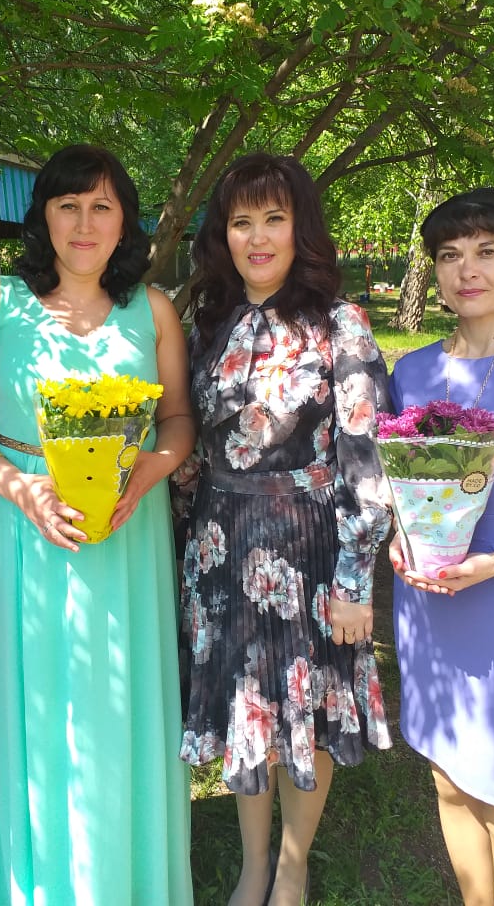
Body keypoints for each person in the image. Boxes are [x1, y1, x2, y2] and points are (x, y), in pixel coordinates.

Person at [0, 143, 195, 905]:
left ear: (125, 221)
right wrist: (17, 487)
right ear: (43, 217)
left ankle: (132, 880)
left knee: (121, 700)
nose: (84, 223)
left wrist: (154, 467)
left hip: (127, 526)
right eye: (68, 205)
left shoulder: (152, 309)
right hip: (24, 529)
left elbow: (178, 418)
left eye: (102, 207)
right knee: (40, 708)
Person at [173, 152, 393, 906]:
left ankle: (292, 869)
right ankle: (252, 864)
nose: (259, 237)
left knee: (305, 708)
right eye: (243, 222)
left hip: (308, 549)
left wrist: (355, 583)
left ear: (302, 229)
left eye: (275, 218)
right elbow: (191, 448)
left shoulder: (340, 324)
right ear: (223, 235)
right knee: (247, 708)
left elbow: (368, 460)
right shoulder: (206, 323)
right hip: (220, 546)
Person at [389, 188, 494, 906]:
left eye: (488, 251)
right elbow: (401, 484)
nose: (468, 269)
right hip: (430, 602)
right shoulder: (412, 372)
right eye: (450, 254)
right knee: (451, 781)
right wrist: (399, 540)